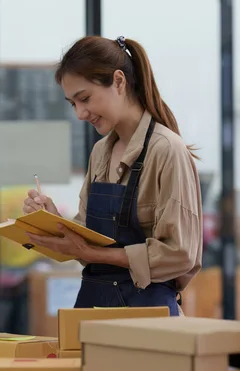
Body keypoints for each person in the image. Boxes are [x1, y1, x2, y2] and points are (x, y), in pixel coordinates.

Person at [22, 35, 203, 316]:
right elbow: (88, 239)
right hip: (94, 310)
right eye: (73, 103)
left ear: (118, 81)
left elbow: (180, 255)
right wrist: (54, 222)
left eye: (85, 98)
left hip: (150, 319)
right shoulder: (100, 153)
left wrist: (90, 253)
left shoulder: (166, 150)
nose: (80, 113)